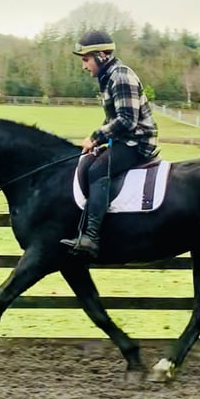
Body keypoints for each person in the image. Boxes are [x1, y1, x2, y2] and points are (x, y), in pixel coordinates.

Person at [60, 29, 159, 259]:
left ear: (102, 55)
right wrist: (98, 142)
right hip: (125, 139)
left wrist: (96, 137)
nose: (84, 66)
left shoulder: (120, 76)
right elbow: (112, 119)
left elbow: (126, 119)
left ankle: (91, 237)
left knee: (97, 170)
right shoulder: (108, 77)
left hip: (138, 141)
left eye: (86, 60)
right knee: (90, 161)